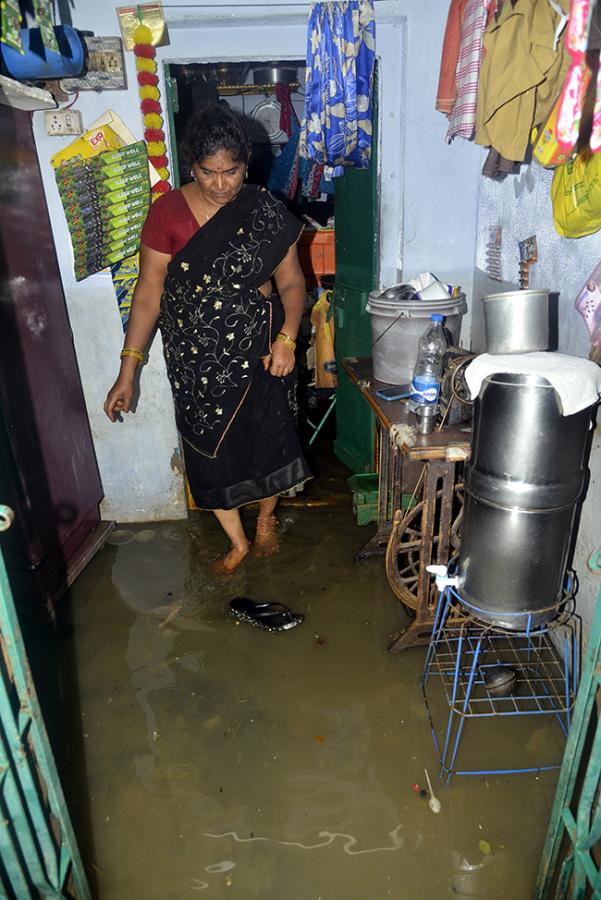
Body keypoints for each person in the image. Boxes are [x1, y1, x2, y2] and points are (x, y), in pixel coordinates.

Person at [104, 105, 311, 573]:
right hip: (195, 360)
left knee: (267, 441)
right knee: (208, 448)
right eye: (208, 172)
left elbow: (293, 283)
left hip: (262, 351)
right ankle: (236, 542)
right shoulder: (167, 213)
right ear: (191, 165)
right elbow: (149, 291)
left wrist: (288, 337)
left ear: (246, 164)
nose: (221, 184)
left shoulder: (263, 211)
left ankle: (264, 519)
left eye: (231, 171)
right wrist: (127, 370)